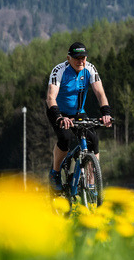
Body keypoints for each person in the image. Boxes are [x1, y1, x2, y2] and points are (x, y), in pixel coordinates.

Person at [45, 41, 113, 194]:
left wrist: (106, 114)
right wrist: (60, 118)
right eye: (76, 58)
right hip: (57, 111)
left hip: (78, 112)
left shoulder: (89, 69)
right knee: (65, 138)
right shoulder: (59, 70)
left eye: (83, 57)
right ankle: (55, 173)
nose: (80, 61)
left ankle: (90, 184)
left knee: (93, 139)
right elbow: (50, 97)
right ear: (68, 58)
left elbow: (100, 93)